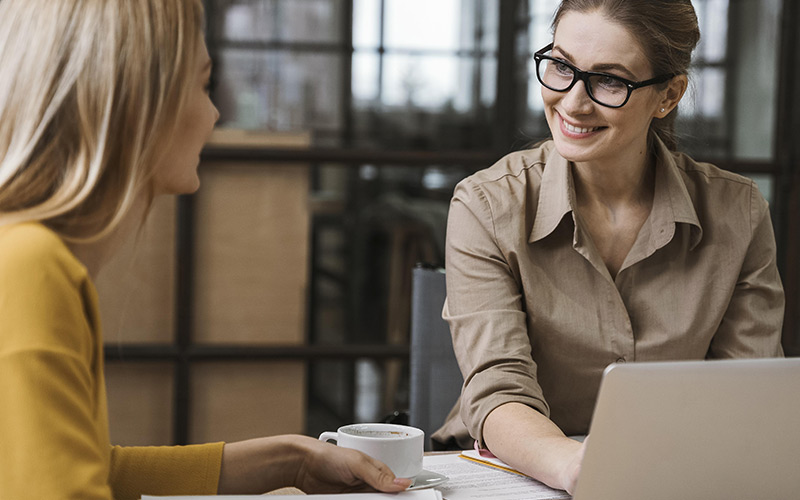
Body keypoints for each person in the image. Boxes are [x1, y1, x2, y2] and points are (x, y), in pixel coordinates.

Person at [0, 1, 412, 498]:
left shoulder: (28, 255)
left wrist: (292, 460)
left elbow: (95, 470)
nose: (214, 114)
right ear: (137, 102)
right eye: (202, 85)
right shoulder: (30, 270)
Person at [432, 0, 784, 494]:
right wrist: (586, 470)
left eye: (609, 81)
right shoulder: (486, 206)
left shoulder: (738, 213)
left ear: (668, 95)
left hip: (677, 475)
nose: (573, 102)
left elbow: (748, 396)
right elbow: (499, 391)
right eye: (560, 66)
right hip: (516, 472)